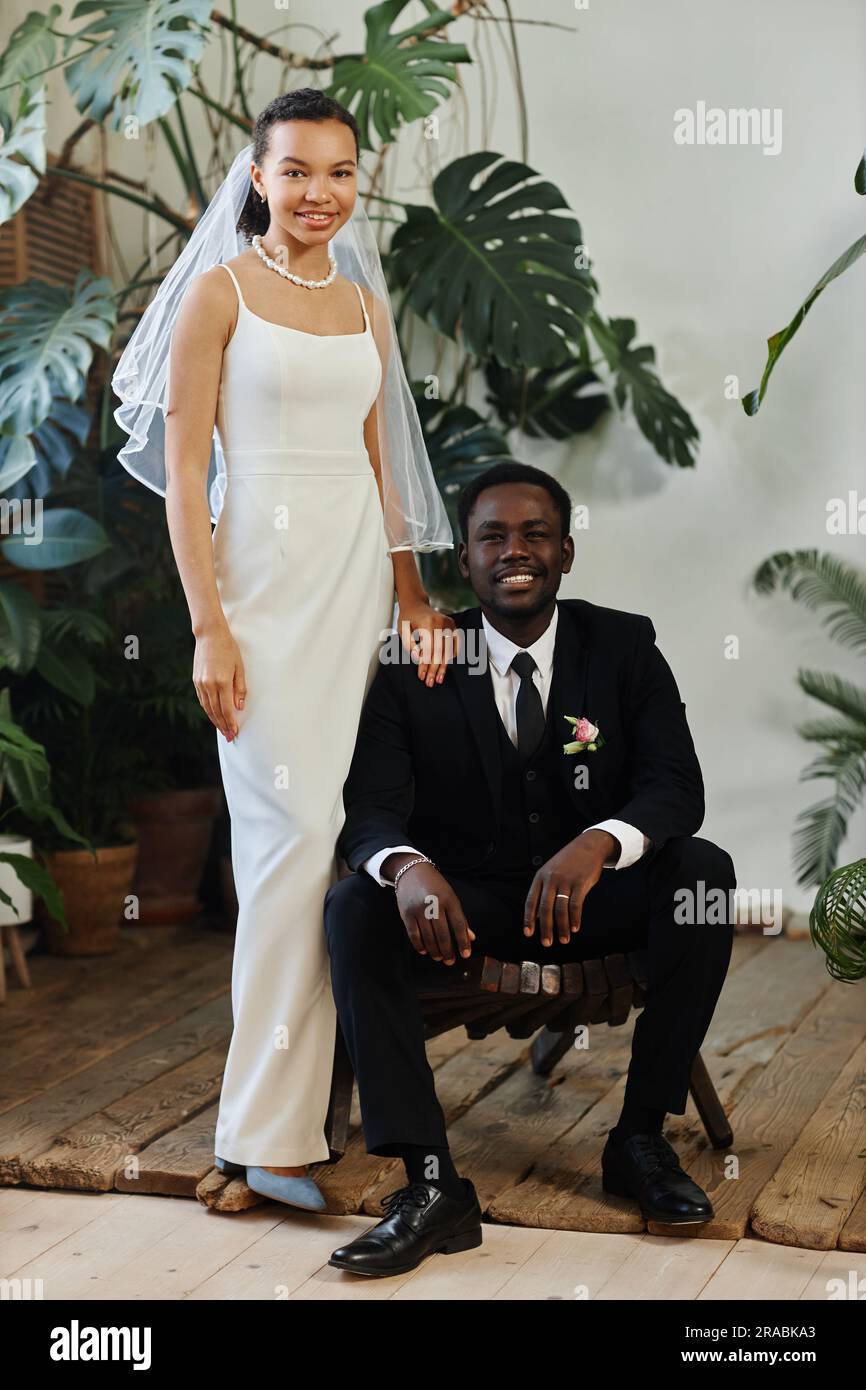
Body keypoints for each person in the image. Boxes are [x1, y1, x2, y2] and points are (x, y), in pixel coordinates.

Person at [111, 90, 455, 1211]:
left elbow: (379, 461)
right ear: (256, 177)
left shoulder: (363, 303)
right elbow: (184, 475)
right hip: (257, 588)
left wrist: (411, 593)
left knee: (341, 841)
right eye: (297, 171)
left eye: (341, 173)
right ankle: (262, 1133)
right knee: (285, 847)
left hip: (356, 585)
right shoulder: (218, 295)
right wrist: (208, 625)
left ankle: (292, 1122)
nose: (320, 193)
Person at [323, 460, 737, 1276]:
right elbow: (371, 806)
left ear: (567, 553)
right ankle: (431, 1183)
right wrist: (406, 868)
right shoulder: (419, 662)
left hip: (598, 901)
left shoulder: (623, 645)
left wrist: (599, 843)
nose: (516, 551)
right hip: (471, 911)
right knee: (353, 908)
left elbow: (675, 787)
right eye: (493, 537)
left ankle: (641, 1140)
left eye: (535, 535)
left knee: (702, 875)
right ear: (467, 561)